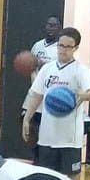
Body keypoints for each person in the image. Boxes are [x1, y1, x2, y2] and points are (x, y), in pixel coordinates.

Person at [22, 27, 90, 179]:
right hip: (47, 136)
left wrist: (83, 94)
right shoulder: (47, 69)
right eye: (61, 45)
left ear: (75, 48)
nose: (63, 50)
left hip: (69, 138)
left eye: (68, 47)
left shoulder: (80, 70)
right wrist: (27, 118)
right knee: (46, 177)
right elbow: (37, 95)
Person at [20, 15, 62, 161]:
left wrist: (43, 65)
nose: (51, 28)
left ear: (59, 28)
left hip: (50, 95)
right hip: (35, 93)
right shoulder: (37, 46)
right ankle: (35, 156)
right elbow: (30, 66)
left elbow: (59, 70)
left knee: (46, 130)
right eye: (49, 25)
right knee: (29, 125)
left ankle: (45, 160)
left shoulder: (60, 49)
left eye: (54, 25)